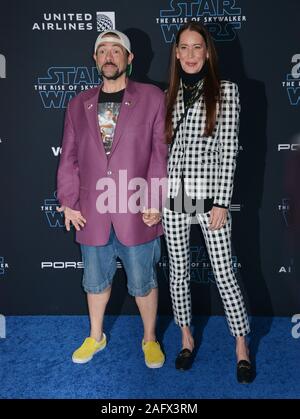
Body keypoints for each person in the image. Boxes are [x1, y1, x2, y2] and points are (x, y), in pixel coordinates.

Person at [56, 29, 168, 368]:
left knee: (143, 282)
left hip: (137, 208)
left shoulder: (152, 97)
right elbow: (69, 158)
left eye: (116, 51)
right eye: (102, 50)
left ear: (129, 59)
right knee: (94, 281)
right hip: (92, 211)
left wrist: (155, 199)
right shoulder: (78, 103)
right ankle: (96, 336)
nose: (108, 56)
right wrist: (68, 202)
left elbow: (159, 154)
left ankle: (150, 339)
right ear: (94, 59)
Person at [162, 22, 253, 383]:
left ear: (207, 51)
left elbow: (228, 152)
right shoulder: (168, 93)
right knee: (178, 272)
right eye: (183, 48)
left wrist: (221, 202)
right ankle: (186, 339)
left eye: (196, 47)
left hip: (210, 197)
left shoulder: (226, 91)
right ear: (176, 53)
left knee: (224, 273)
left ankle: (241, 347)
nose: (189, 55)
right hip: (173, 199)